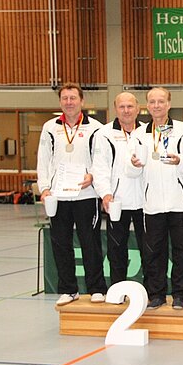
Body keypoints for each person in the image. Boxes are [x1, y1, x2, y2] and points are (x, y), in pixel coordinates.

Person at [127, 87, 183, 310]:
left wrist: (181, 161)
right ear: (147, 106)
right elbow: (130, 171)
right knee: (153, 252)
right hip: (152, 204)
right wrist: (134, 165)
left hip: (180, 202)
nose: (156, 105)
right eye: (152, 102)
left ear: (169, 104)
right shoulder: (139, 134)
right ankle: (156, 294)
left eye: (161, 101)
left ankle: (179, 295)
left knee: (182, 252)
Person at [37, 83, 107, 306]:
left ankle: (97, 288)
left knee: (90, 243)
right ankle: (68, 289)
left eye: (73, 98)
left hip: (86, 194)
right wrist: (44, 188)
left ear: (82, 101)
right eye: (65, 98)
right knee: (61, 244)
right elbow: (43, 160)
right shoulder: (50, 127)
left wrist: (92, 176)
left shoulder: (96, 128)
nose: (69, 102)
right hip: (58, 196)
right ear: (60, 102)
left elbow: (100, 160)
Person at [91, 92, 146, 287]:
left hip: (145, 202)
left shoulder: (147, 132)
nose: (126, 110)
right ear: (115, 109)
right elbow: (99, 167)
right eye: (122, 107)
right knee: (116, 250)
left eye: (130, 106)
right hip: (116, 201)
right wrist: (105, 194)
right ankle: (117, 291)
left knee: (149, 250)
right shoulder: (104, 134)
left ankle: (153, 293)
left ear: (138, 109)